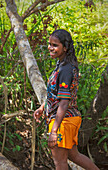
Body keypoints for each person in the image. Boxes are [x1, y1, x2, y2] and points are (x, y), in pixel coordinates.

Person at [34, 29, 99, 170]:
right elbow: (57, 94)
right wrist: (43, 107)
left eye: (55, 45)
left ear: (65, 47)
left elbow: (64, 102)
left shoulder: (65, 69)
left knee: (60, 162)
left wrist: (54, 131)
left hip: (63, 121)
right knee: (73, 156)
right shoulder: (63, 65)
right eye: (49, 44)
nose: (50, 47)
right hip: (70, 119)